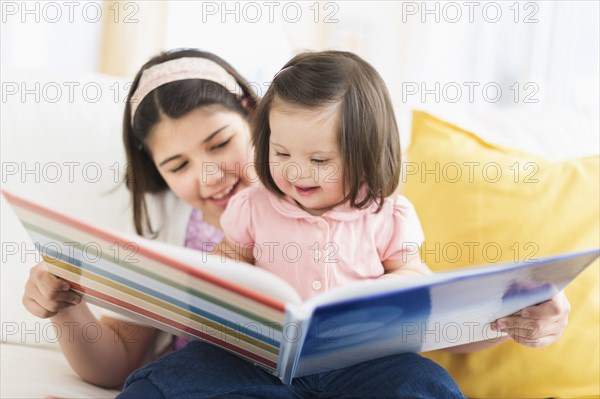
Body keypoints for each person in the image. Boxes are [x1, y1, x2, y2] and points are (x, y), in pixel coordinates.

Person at [21, 48, 571, 397]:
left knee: (420, 384)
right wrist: (68, 302)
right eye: (178, 165)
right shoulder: (184, 223)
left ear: (256, 120)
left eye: (220, 143)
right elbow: (118, 359)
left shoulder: (375, 205)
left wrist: (516, 309)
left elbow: (428, 312)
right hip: (236, 372)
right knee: (164, 385)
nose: (210, 175)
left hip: (361, 366)